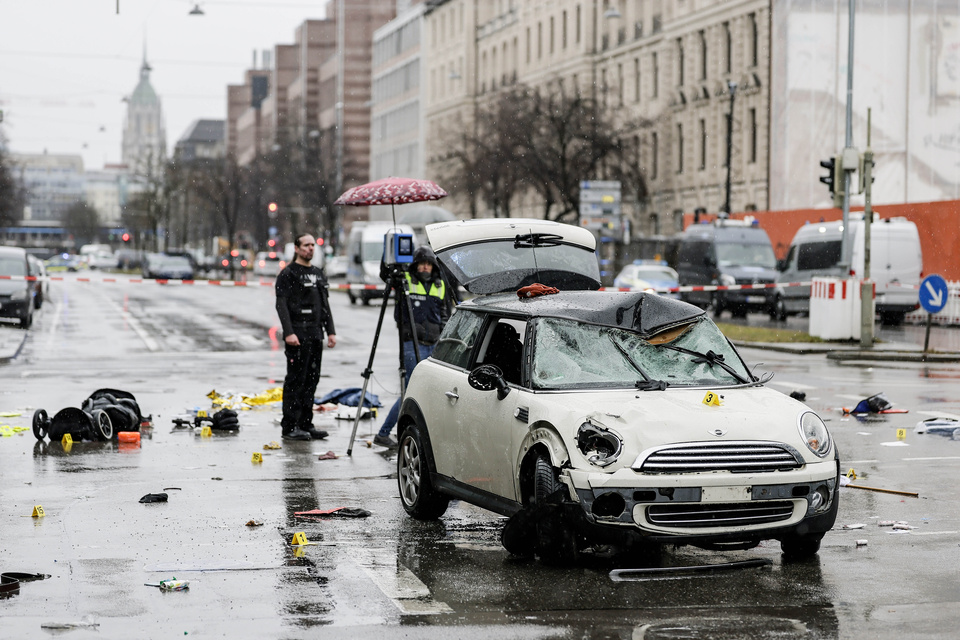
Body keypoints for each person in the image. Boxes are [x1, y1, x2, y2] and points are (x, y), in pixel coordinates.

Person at [374, 246, 449, 448]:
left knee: (429, 392)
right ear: (415, 265)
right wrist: (390, 248)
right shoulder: (404, 280)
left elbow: (444, 314)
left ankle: (415, 433)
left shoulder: (440, 284)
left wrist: (442, 336)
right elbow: (385, 273)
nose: (425, 267)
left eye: (428, 264)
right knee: (411, 392)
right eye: (421, 264)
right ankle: (384, 433)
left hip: (433, 345)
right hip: (410, 344)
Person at [275, 233, 337, 441]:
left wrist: (331, 331)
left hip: (314, 334)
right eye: (306, 245)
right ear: (297, 248)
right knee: (296, 380)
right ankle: (290, 426)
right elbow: (281, 304)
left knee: (312, 379)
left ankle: (305, 423)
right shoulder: (289, 274)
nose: (310, 248)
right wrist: (289, 332)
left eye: (313, 245)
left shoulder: (318, 274)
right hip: (297, 335)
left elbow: (325, 305)